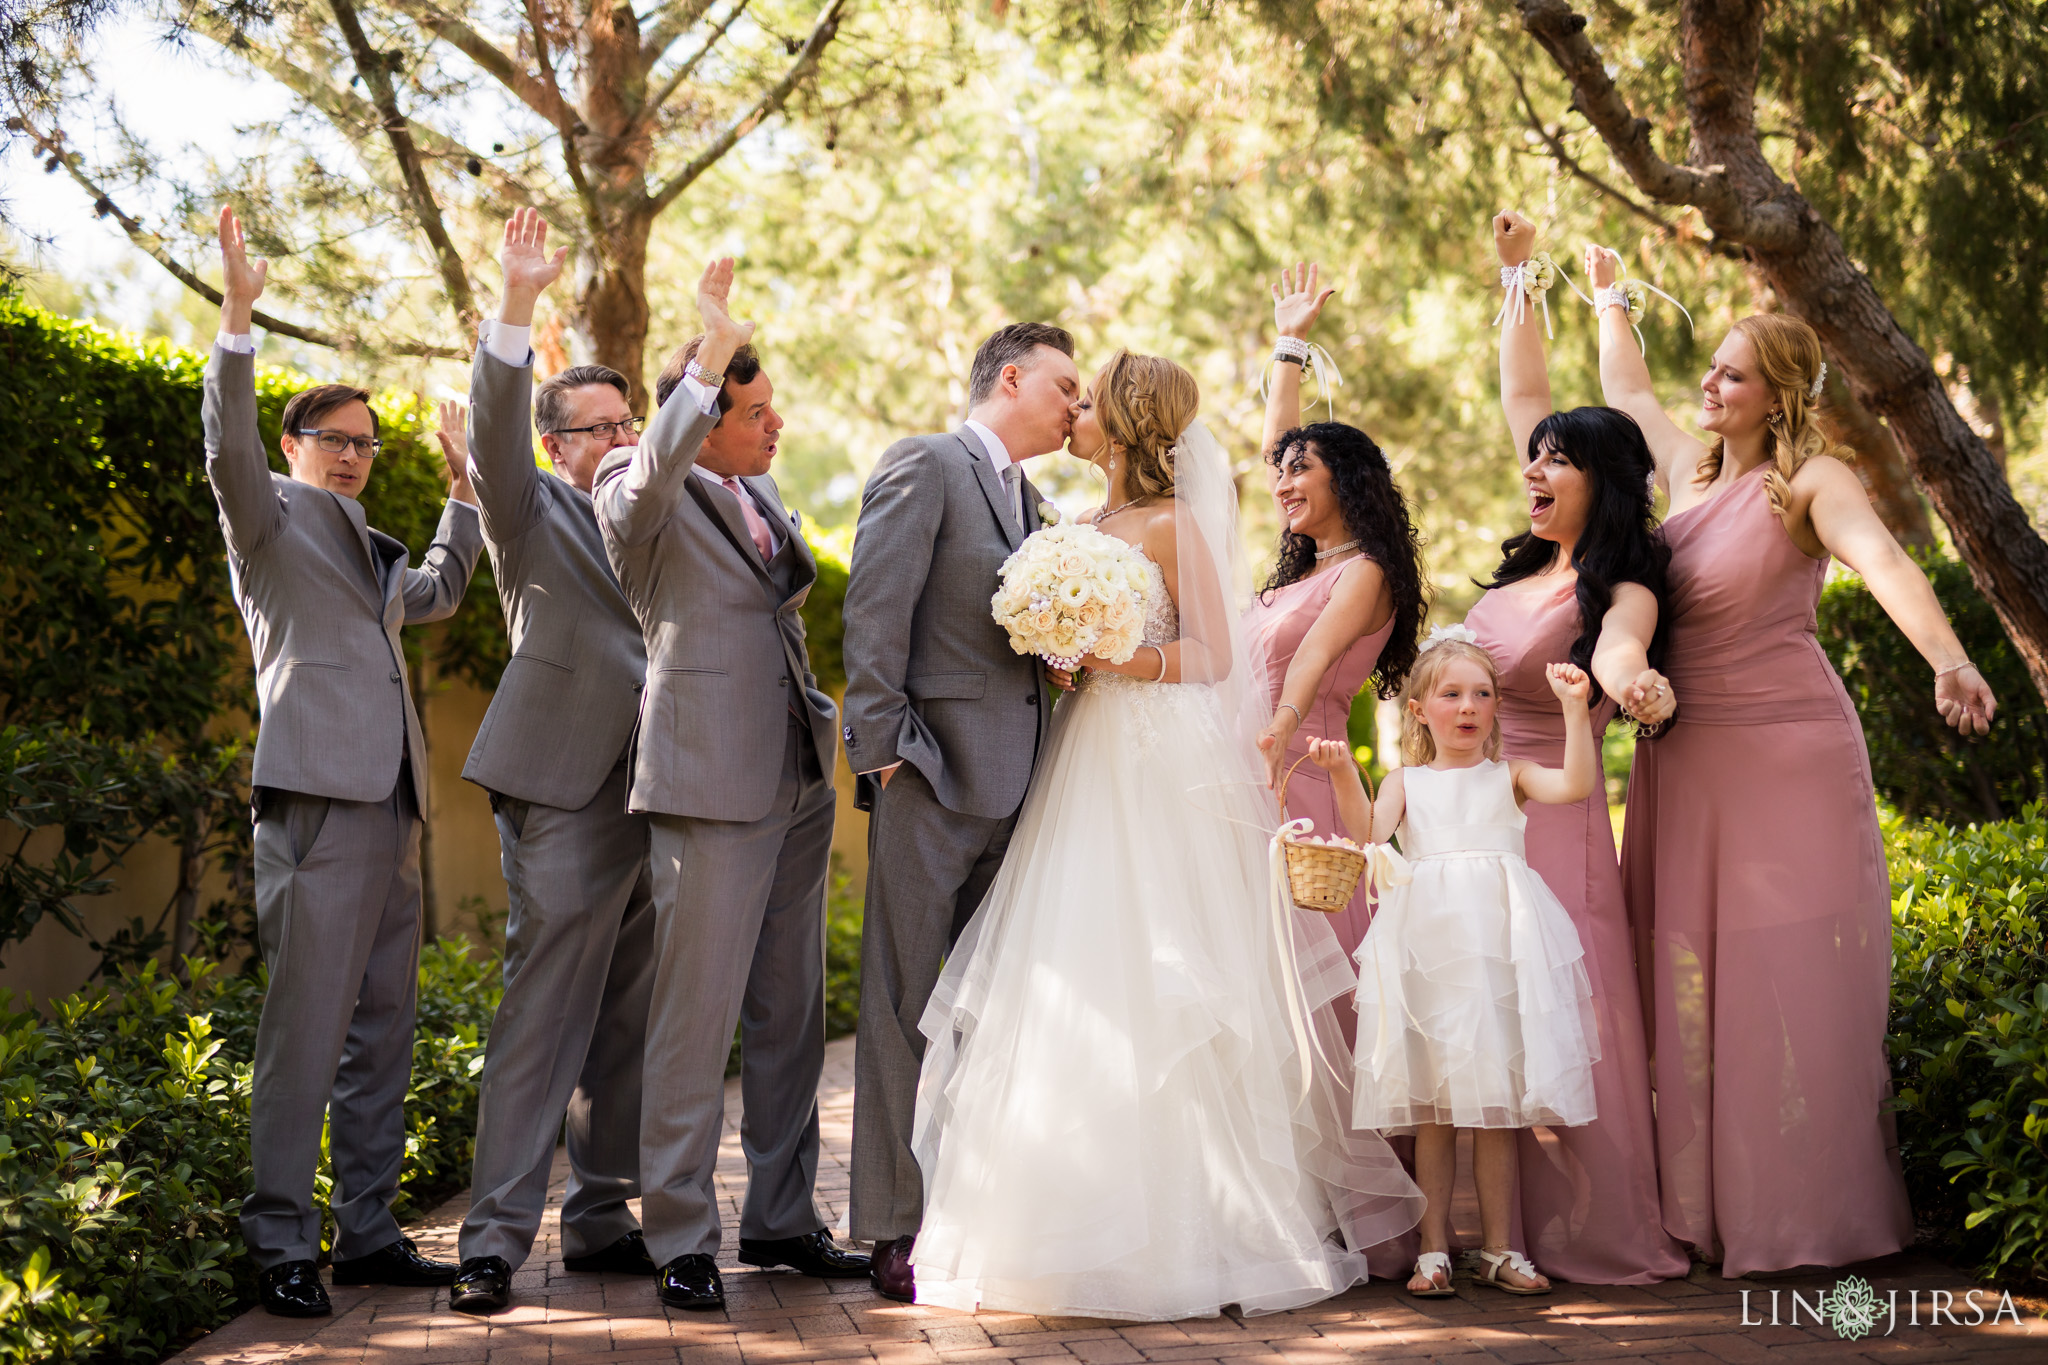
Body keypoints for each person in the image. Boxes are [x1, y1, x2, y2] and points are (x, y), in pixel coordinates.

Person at [908, 352, 1424, 1320]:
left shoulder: (1174, 522)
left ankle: (1192, 1232)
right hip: (1086, 751)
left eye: (1090, 401)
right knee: (1074, 967)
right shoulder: (1081, 524)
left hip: (1155, 759)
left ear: (1129, 422)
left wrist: (1118, 654)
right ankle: (1056, 1221)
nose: (1075, 414)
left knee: (1170, 980)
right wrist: (1062, 655)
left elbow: (1211, 656)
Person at [1585, 246, 1997, 1275]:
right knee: (1690, 977)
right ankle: (1711, 1209)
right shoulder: (1683, 471)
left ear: (1775, 394)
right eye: (1710, 369)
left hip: (1786, 751)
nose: (1707, 384)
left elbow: (1884, 561)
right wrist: (1604, 298)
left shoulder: (1809, 479)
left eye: (1729, 372)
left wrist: (1947, 658)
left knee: (1785, 975)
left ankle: (1807, 1213)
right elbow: (1624, 385)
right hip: (1682, 757)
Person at [202, 206, 481, 1316]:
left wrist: (462, 492)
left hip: (395, 808)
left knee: (381, 1030)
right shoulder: (264, 515)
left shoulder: (375, 548)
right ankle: (279, 1241)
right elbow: (222, 442)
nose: (357, 457)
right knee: (304, 1029)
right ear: (295, 449)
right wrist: (236, 315)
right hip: (315, 803)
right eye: (338, 441)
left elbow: (441, 596)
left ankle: (366, 1232)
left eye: (368, 443)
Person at [592, 260, 867, 1312]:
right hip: (706, 779)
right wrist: (706, 350)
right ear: (700, 419)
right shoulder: (637, 492)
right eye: (752, 411)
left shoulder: (757, 492)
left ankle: (785, 1218)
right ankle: (678, 1236)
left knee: (791, 1010)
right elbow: (646, 479)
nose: (774, 423)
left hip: (795, 771)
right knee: (694, 1015)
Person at [434, 210, 660, 1314]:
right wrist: (516, 304)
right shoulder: (527, 513)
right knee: (543, 1011)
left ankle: (606, 1216)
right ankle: (491, 1242)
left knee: (632, 1013)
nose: (617, 437)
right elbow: (488, 437)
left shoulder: (662, 516)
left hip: (667, 792)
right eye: (595, 427)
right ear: (557, 444)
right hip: (564, 787)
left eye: (630, 422)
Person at [1461, 211, 1687, 1285]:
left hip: (1551, 814)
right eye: (1533, 459)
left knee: (1566, 1014)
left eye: (1556, 462)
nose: (1532, 469)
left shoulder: (1620, 584)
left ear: (1602, 479)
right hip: (1468, 812)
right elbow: (1518, 395)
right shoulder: (1517, 576)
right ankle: (1488, 1229)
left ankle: (1593, 1226)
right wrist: (1516, 282)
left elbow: (1617, 652)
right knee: (1474, 1009)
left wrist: (1627, 682)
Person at [840, 323, 1076, 1301]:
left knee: (992, 1011)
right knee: (901, 1007)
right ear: (1009, 377)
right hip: (930, 782)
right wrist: (886, 753)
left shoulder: (1039, 504)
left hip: (1023, 789)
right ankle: (892, 1225)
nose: (1077, 406)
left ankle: (973, 1212)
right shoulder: (923, 464)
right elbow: (874, 608)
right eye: (1065, 386)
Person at [1326, 633, 1602, 1299]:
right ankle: (1434, 1250)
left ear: (1496, 707)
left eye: (1481, 693)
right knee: (1434, 1110)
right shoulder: (1406, 782)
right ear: (1419, 708)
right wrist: (1340, 770)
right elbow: (1368, 829)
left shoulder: (1508, 776)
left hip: (1497, 954)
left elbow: (1576, 785)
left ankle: (1502, 1248)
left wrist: (1574, 707)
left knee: (1498, 1109)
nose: (1467, 706)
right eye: (1450, 693)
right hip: (1427, 954)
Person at [1245, 264, 1429, 960]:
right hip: (1257, 767)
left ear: (1344, 483)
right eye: (1282, 470)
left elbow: (1316, 655)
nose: (1283, 482)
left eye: (1301, 470)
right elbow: (1273, 450)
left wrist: (1282, 722)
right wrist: (1288, 346)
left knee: (1311, 962)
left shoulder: (1364, 572)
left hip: (1301, 775)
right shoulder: (1307, 568)